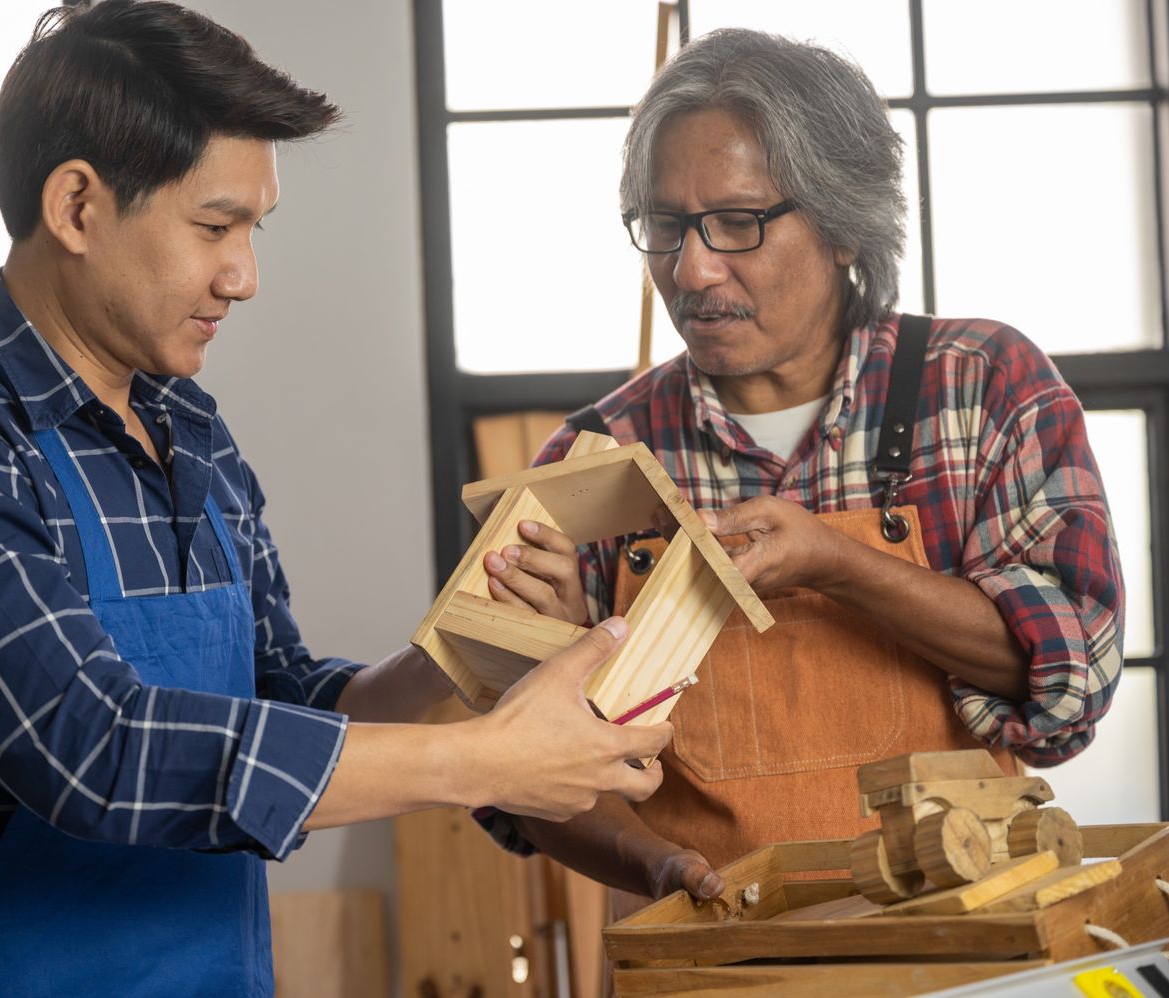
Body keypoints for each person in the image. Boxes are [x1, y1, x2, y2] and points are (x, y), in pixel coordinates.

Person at [0, 3, 671, 995]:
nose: (246, 276)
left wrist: (467, 639)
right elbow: (94, 748)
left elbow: (288, 700)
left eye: (253, 228)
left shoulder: (193, 434)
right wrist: (487, 761)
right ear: (77, 207)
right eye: (215, 225)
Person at [479, 27, 1124, 911]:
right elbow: (515, 774)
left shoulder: (983, 388)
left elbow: (1076, 674)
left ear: (845, 227)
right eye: (665, 226)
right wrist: (647, 854)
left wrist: (838, 564)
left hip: (958, 955)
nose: (691, 268)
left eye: (738, 224)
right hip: (708, 960)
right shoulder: (597, 458)